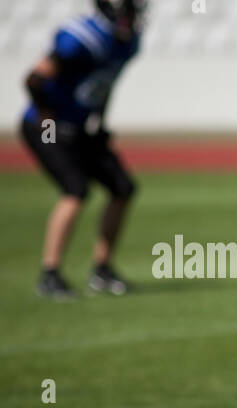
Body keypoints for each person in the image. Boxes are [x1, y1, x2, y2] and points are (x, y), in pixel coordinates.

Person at [20, 0, 143, 301]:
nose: (132, 17)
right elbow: (35, 79)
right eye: (127, 10)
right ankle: (50, 274)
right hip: (46, 126)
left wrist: (98, 123)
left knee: (122, 187)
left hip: (81, 128)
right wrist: (49, 122)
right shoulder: (83, 39)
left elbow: (103, 86)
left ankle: (102, 270)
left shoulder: (126, 44)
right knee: (75, 189)